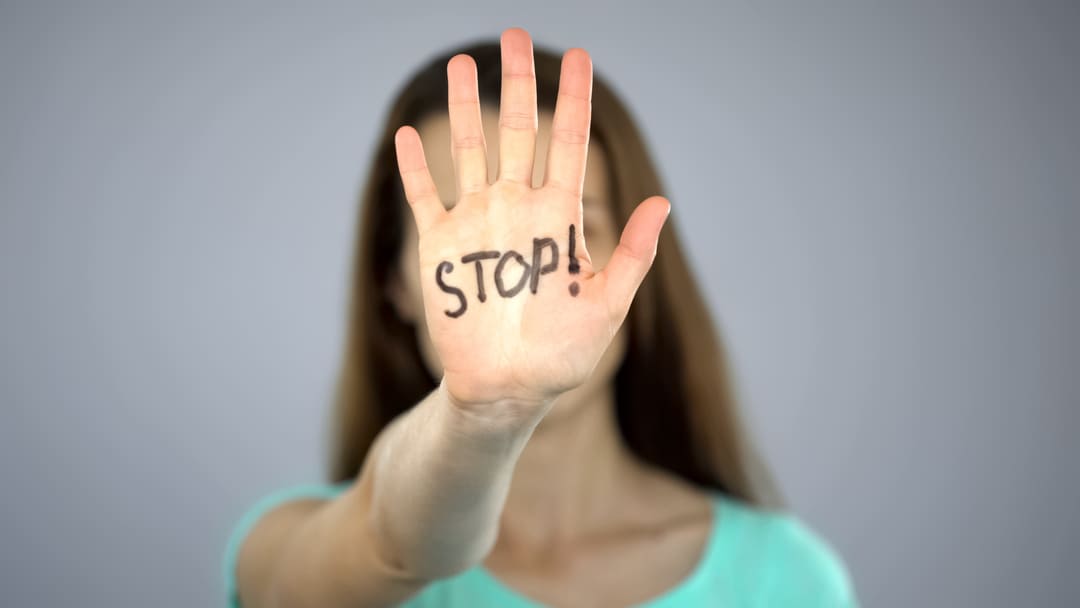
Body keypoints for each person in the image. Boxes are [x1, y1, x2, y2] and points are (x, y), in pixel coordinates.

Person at [223, 27, 857, 607]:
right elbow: (389, 543)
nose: (521, 278)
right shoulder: (281, 550)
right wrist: (482, 414)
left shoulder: (789, 579)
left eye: (570, 227)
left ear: (641, 268)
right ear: (395, 288)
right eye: (462, 232)